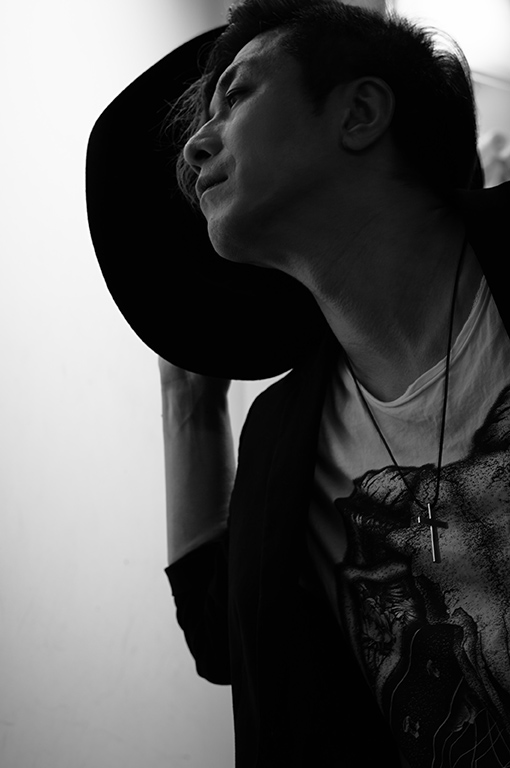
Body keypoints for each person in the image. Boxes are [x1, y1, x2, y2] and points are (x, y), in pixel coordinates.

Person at [85, 0, 510, 766]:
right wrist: (187, 400)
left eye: (238, 94)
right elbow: (226, 641)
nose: (197, 144)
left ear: (360, 112)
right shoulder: (286, 435)